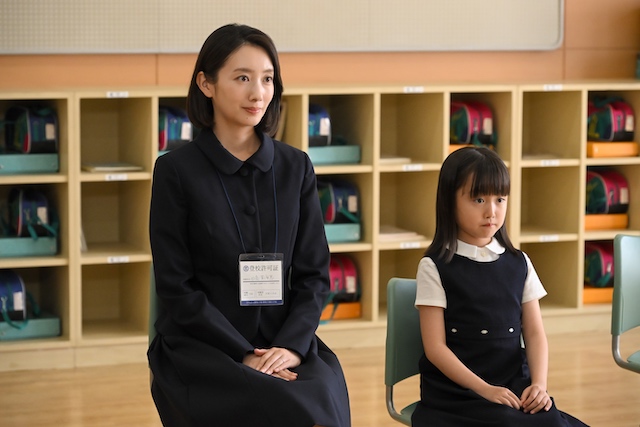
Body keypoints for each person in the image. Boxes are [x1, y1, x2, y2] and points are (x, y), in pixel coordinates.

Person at [148, 23, 351, 427]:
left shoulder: (296, 167)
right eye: (242, 78)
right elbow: (176, 287)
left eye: (267, 79)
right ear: (206, 83)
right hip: (204, 345)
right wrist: (243, 352)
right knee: (282, 407)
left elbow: (314, 276)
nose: (258, 93)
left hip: (285, 340)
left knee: (320, 403)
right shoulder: (175, 171)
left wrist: (290, 348)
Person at [412, 147, 588, 426]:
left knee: (551, 421)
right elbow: (435, 348)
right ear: (449, 201)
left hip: (513, 383)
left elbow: (535, 333)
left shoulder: (520, 263)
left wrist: (539, 385)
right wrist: (485, 389)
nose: (491, 211)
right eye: (479, 199)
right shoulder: (435, 266)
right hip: (458, 393)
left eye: (500, 199)